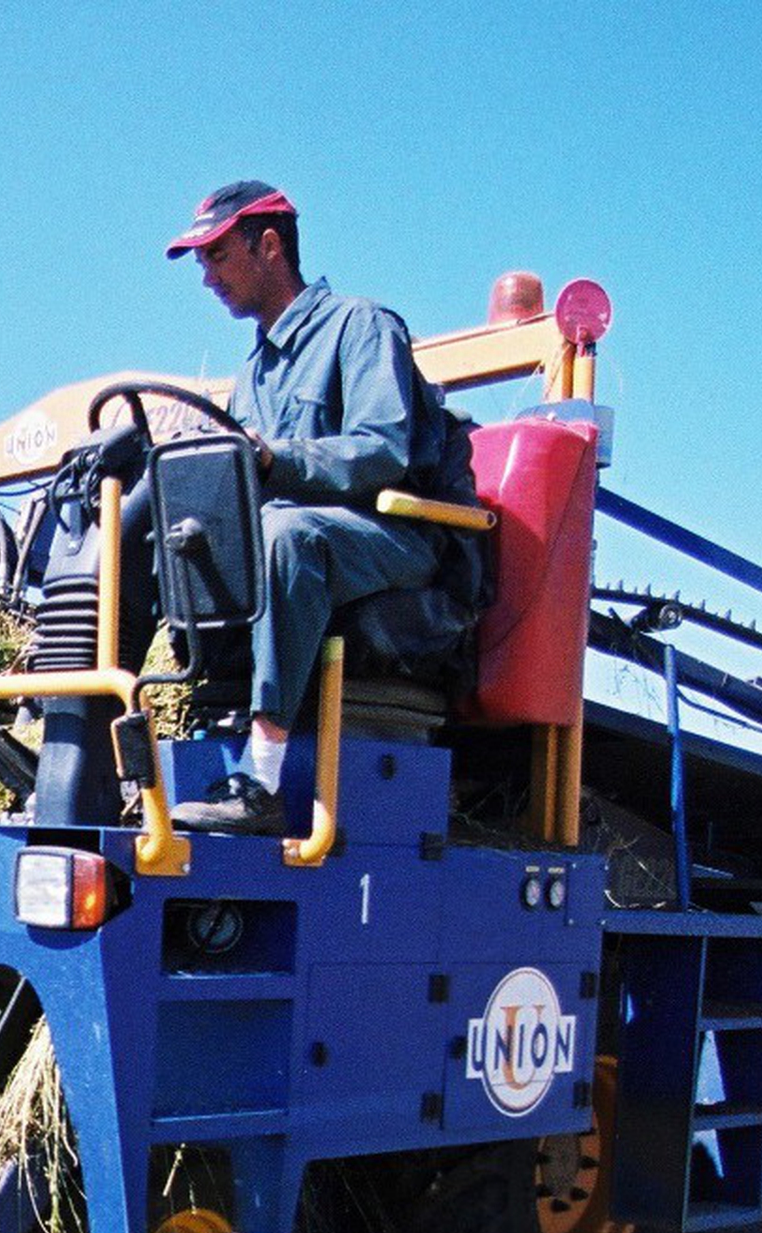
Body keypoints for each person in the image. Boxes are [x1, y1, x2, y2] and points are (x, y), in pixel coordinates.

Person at [165, 181, 477, 833]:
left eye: (217, 257)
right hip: (313, 541)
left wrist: (277, 459)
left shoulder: (361, 326)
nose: (207, 278)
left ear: (269, 245)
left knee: (284, 535)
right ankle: (75, 736)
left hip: (397, 536)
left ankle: (262, 779)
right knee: (161, 532)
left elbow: (382, 451)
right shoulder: (254, 371)